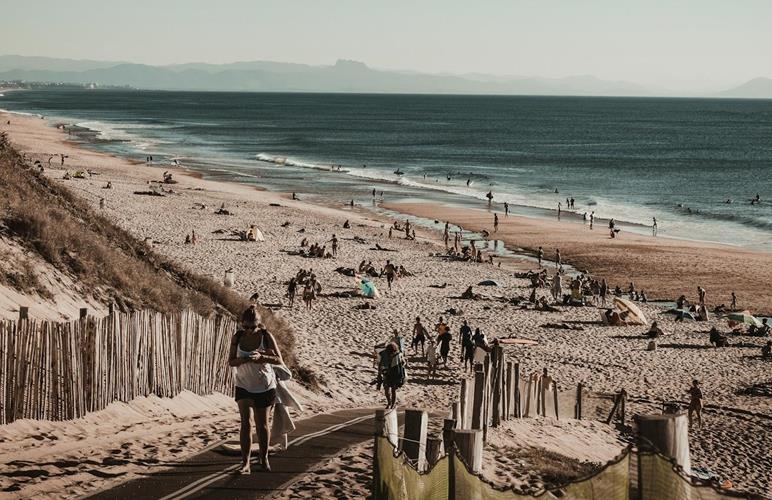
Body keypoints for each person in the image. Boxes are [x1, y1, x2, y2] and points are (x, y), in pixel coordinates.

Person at [228, 307, 283, 474]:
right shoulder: (238, 337)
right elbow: (231, 362)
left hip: (264, 386)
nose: (249, 330)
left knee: (262, 425)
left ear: (259, 325)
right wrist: (244, 359)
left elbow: (279, 360)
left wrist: (262, 357)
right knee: (246, 423)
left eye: (252, 327)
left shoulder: (266, 336)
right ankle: (245, 463)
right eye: (246, 327)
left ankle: (263, 457)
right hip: (243, 384)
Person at [380, 343, 406, 408]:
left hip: (393, 374)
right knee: (388, 389)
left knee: (391, 389)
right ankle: (390, 403)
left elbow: (403, 362)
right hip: (391, 374)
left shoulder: (398, 355)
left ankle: (392, 404)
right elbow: (381, 364)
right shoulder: (387, 355)